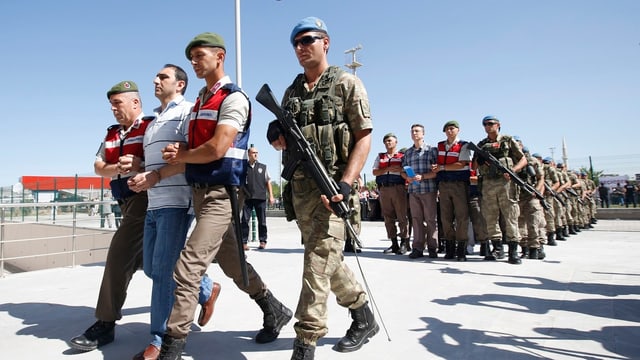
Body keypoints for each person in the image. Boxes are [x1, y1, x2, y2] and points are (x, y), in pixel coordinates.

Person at [157, 33, 292, 360]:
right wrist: (161, 171)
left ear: (220, 56)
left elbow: (218, 147)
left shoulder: (234, 98)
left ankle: (172, 347)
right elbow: (190, 154)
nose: (193, 61)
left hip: (222, 195)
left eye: (199, 55)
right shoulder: (201, 101)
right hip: (200, 194)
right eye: (190, 57)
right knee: (233, 264)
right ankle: (273, 307)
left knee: (188, 267)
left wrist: (183, 155)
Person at [269, 17, 378, 359]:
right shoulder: (291, 91)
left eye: (308, 40)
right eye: (296, 43)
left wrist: (346, 185)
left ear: (325, 42)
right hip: (302, 193)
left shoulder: (347, 83)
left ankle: (306, 341)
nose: (301, 48)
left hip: (333, 190)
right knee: (327, 261)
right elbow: (283, 141)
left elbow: (364, 138)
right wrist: (276, 135)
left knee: (316, 264)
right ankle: (363, 315)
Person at [125, 64, 221, 360]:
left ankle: (158, 339)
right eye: (156, 76)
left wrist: (154, 176)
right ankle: (206, 287)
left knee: (165, 275)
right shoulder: (154, 121)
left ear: (180, 85)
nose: (155, 79)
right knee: (153, 269)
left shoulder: (188, 112)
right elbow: (159, 162)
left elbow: (190, 158)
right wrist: (139, 170)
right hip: (154, 203)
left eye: (163, 77)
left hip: (176, 202)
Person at [70, 81, 152, 351]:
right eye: (111, 105)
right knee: (149, 260)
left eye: (118, 103)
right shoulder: (112, 134)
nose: (114, 109)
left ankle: (104, 324)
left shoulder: (150, 127)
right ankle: (204, 288)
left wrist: (136, 165)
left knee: (118, 257)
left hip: (144, 200)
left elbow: (159, 162)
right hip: (123, 202)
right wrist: (117, 167)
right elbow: (98, 166)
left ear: (135, 103)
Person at [472, 115, 527, 265]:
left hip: (506, 184)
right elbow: (474, 167)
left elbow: (523, 159)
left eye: (491, 124)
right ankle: (497, 248)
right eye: (485, 124)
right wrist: (480, 159)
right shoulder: (482, 144)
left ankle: (513, 251)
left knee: (510, 216)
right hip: (488, 184)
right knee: (490, 217)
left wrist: (513, 171)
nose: (488, 126)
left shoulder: (508, 140)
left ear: (498, 125)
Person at [402, 124, 440, 259]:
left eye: (417, 131)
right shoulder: (408, 153)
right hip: (413, 190)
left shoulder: (432, 150)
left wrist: (423, 176)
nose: (414, 133)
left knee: (431, 220)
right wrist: (407, 177)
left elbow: (436, 172)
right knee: (416, 219)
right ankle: (418, 247)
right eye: (412, 131)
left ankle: (433, 247)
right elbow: (402, 171)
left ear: (423, 134)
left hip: (428, 189)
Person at [435, 121, 471, 261]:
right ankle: (450, 248)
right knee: (446, 217)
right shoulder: (440, 145)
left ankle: (461, 249)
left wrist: (441, 167)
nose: (449, 131)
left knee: (462, 217)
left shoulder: (464, 145)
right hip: (444, 184)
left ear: (458, 130)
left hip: (459, 184)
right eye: (447, 129)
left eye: (452, 128)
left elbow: (461, 163)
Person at [372, 133, 410, 255]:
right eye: (386, 141)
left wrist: (401, 169)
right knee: (388, 217)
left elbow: (409, 171)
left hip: (398, 188)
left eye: (390, 141)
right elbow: (375, 172)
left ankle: (404, 242)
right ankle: (394, 243)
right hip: (384, 189)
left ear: (396, 142)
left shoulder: (403, 156)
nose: (388, 143)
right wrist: (386, 169)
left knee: (402, 216)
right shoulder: (380, 156)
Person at [241, 146, 275, 250]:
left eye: (257, 152)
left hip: (260, 198)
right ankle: (243, 242)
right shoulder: (243, 167)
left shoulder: (263, 167)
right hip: (247, 198)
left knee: (262, 221)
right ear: (249, 154)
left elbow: (267, 182)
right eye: (253, 153)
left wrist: (271, 196)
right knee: (245, 220)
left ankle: (263, 241)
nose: (255, 154)